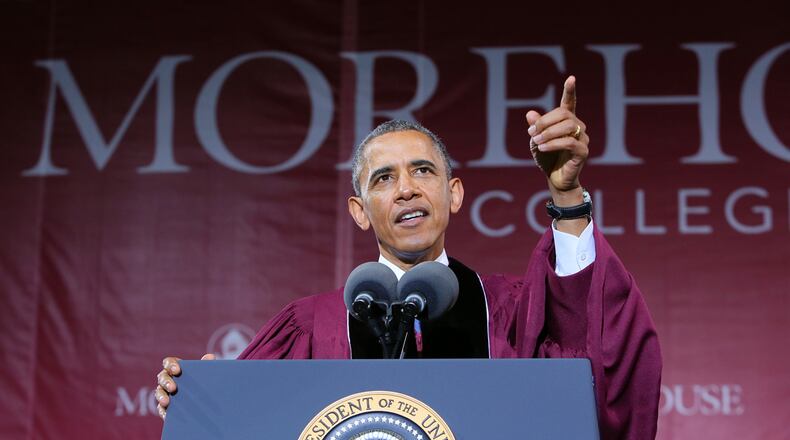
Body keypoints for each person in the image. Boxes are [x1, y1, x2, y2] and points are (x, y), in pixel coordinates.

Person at [155, 76, 661, 439]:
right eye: (383, 179)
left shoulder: (510, 313)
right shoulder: (310, 327)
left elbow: (594, 368)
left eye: (423, 171)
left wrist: (568, 196)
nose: (405, 191)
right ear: (359, 211)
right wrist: (204, 397)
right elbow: (247, 425)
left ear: (454, 194)